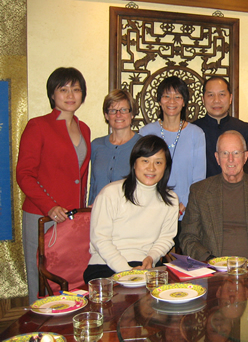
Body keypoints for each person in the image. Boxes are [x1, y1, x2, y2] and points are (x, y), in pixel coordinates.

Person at [16, 67, 91, 302]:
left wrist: (80, 212)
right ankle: (37, 330)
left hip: (71, 219)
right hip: (42, 215)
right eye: (64, 89)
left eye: (76, 89)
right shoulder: (38, 126)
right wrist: (50, 206)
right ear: (52, 94)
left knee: (69, 275)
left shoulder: (85, 128)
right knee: (40, 276)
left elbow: (81, 176)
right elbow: (24, 174)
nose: (70, 95)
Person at [84, 135, 178, 282]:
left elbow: (166, 238)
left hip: (146, 266)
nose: (151, 168)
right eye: (145, 161)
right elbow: (100, 239)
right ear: (134, 163)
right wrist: (127, 272)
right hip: (105, 265)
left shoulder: (171, 200)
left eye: (158, 162)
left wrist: (151, 258)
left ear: (166, 167)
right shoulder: (110, 193)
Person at [180, 130, 248, 261]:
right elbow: (188, 237)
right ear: (217, 158)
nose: (230, 159)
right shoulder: (200, 192)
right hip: (213, 269)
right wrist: (211, 261)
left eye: (236, 153)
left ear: (245, 157)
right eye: (225, 153)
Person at [139, 76, 206, 220]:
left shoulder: (196, 134)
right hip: (151, 211)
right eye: (166, 96)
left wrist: (184, 204)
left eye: (177, 97)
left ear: (184, 102)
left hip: (186, 212)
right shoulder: (145, 132)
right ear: (159, 100)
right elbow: (140, 172)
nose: (172, 101)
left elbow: (199, 179)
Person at [193, 76, 248, 177]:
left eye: (222, 94)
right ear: (203, 99)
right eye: (210, 95)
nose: (216, 100)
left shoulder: (245, 130)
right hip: (203, 190)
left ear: (230, 98)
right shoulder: (193, 130)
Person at [88, 89, 141, 205]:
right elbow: (93, 184)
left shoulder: (142, 145)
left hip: (129, 216)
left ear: (132, 114)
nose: (118, 115)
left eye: (123, 110)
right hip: (99, 214)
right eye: (113, 110)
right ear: (106, 115)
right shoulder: (96, 145)